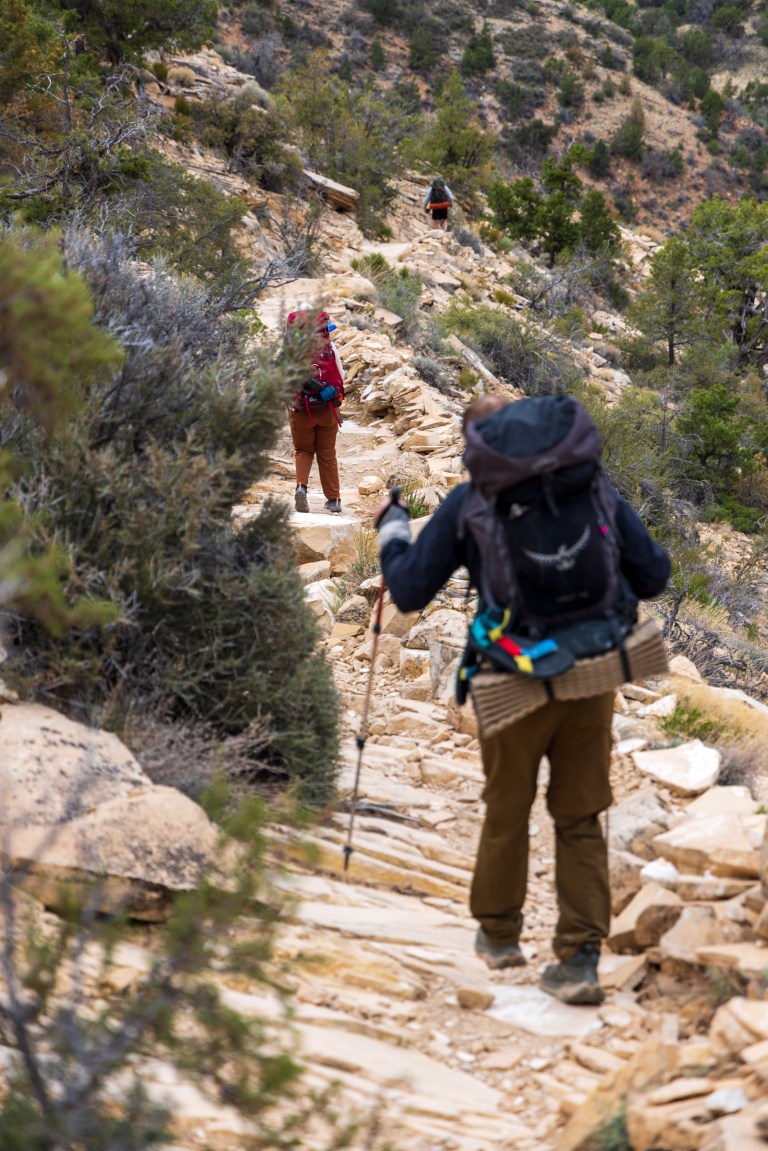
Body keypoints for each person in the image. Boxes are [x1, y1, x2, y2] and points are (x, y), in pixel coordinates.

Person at [374, 396, 670, 1005]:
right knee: (580, 816)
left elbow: (406, 592)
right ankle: (580, 960)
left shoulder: (471, 503)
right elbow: (654, 575)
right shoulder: (591, 488)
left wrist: (393, 529)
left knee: (506, 806)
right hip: (592, 676)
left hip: (511, 679)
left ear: (479, 450)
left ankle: (500, 936)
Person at [286, 308, 345, 515]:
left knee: (303, 450)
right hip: (327, 408)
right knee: (327, 453)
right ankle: (334, 499)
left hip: (301, 409)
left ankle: (301, 488)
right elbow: (341, 376)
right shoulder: (330, 348)